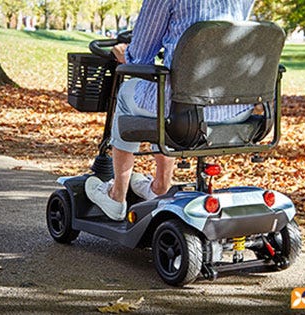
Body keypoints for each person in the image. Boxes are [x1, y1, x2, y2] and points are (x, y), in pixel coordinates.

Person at [85, 0, 256, 221]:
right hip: (235, 108)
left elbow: (141, 54)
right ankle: (159, 186)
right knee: (164, 96)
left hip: (185, 108)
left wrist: (124, 53)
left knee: (132, 91)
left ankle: (117, 195)